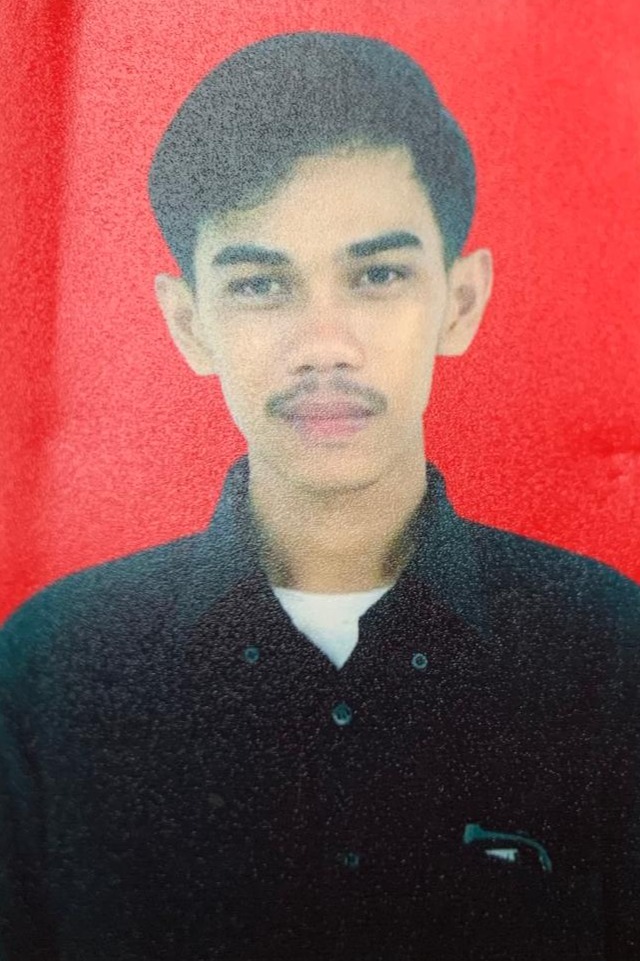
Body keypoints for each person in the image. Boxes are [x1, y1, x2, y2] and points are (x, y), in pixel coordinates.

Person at [1, 31, 638, 961]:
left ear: (460, 301)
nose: (324, 343)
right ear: (190, 322)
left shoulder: (609, 654)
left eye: (378, 275)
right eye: (262, 284)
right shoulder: (53, 669)